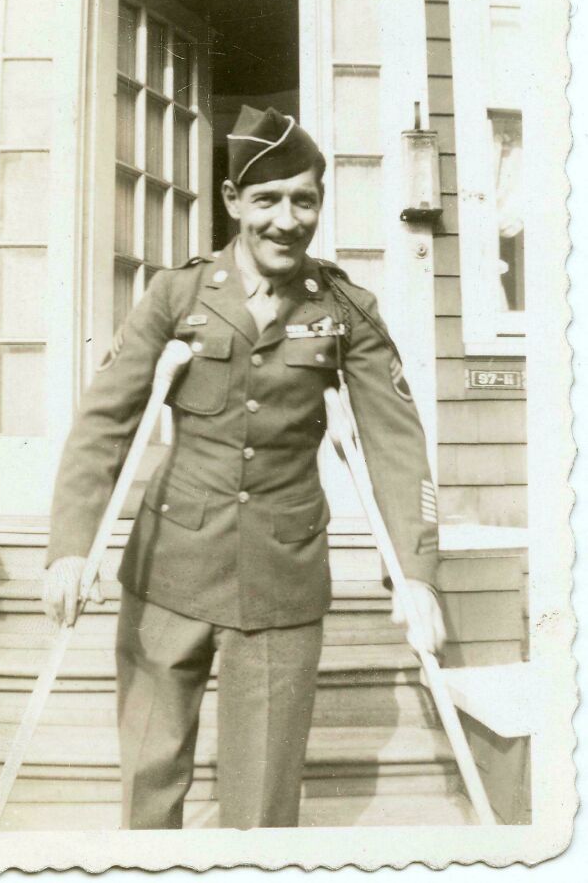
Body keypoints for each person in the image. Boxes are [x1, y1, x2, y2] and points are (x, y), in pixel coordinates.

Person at [42, 106, 446, 830]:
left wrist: (414, 573)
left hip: (280, 574)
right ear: (233, 202)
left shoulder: (346, 309)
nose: (287, 221)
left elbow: (395, 441)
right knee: (150, 778)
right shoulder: (177, 296)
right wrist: (70, 549)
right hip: (171, 565)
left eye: (304, 200)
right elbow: (106, 422)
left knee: (262, 803)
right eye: (267, 199)